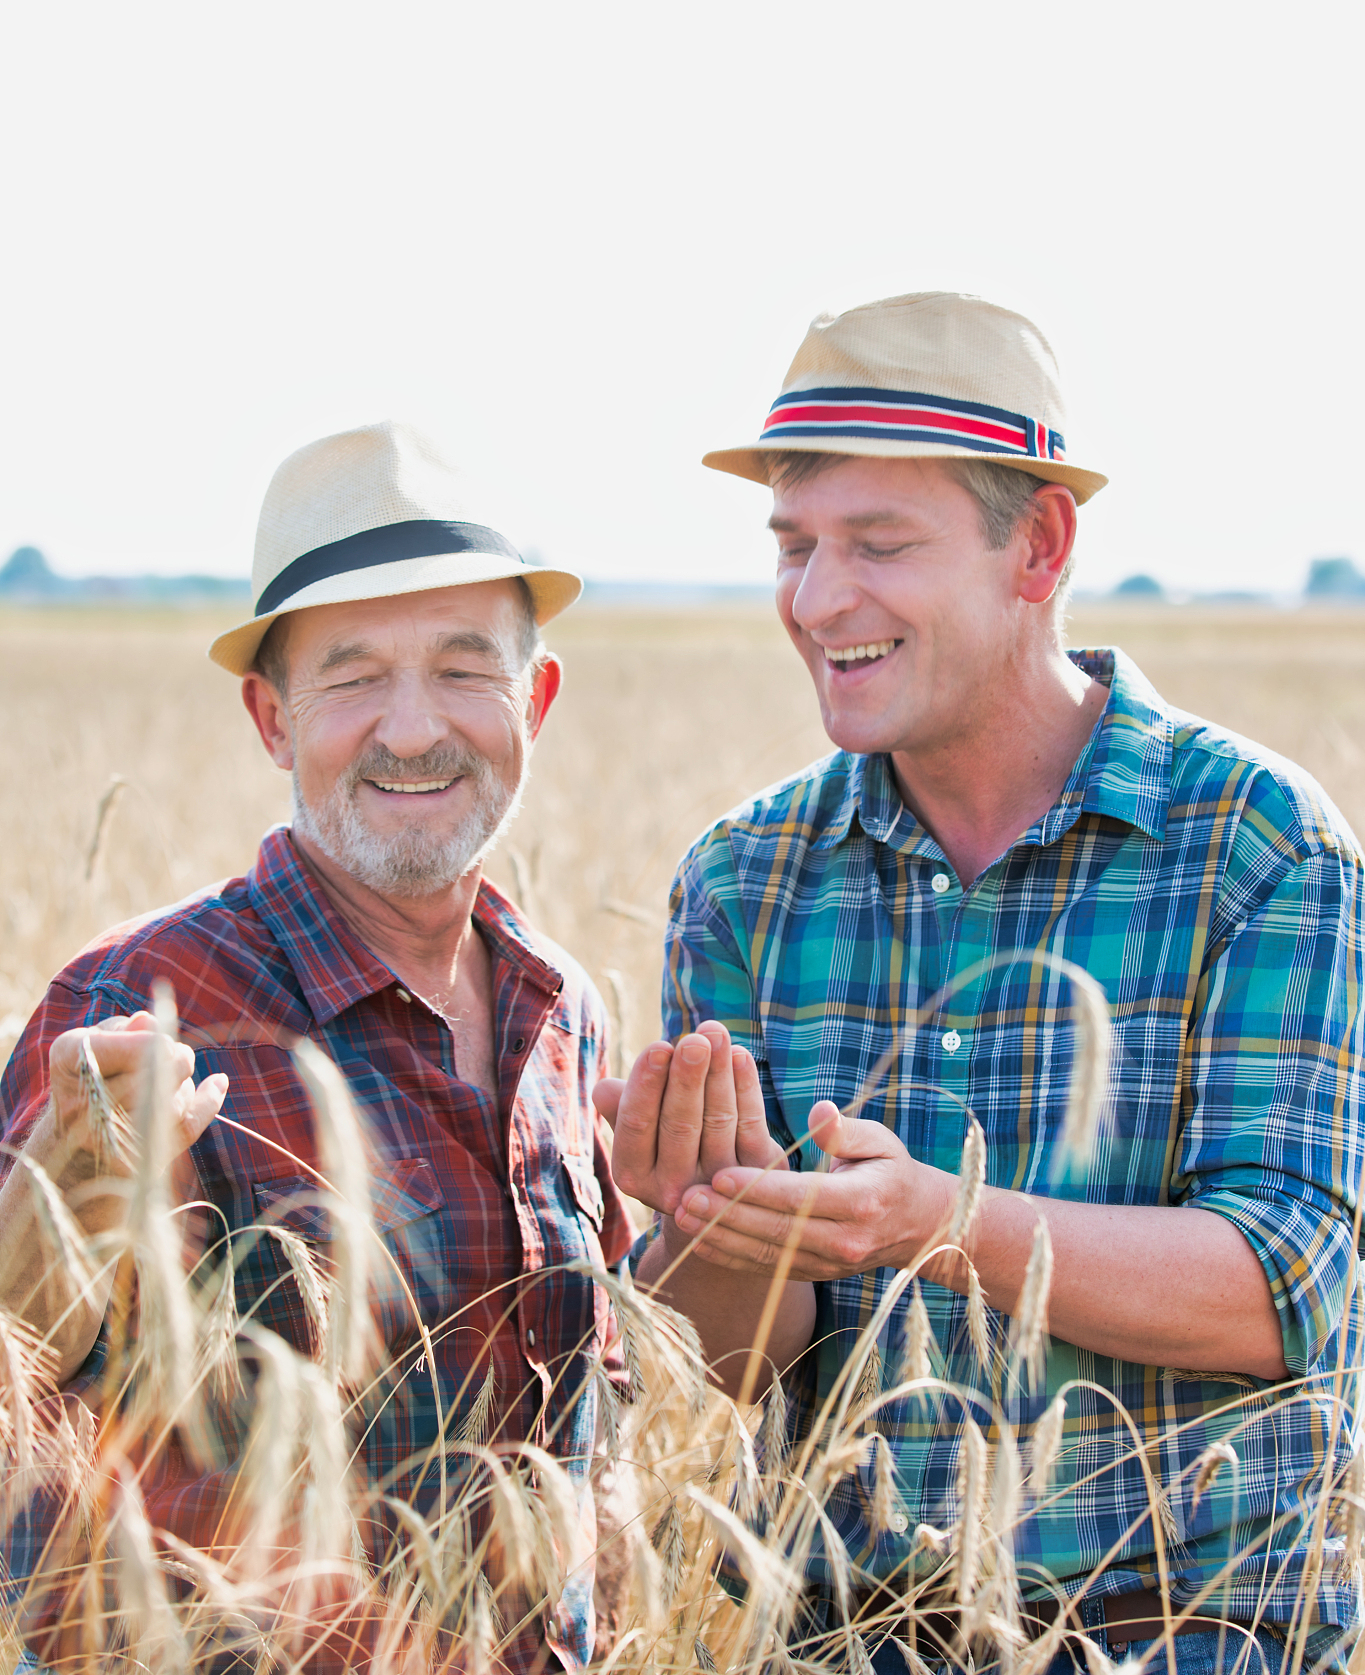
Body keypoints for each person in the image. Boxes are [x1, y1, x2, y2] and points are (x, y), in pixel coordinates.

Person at [597, 292, 1364, 1672]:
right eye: (794, 545)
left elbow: (1279, 1290)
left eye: (879, 544)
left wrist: (938, 1224)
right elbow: (737, 1366)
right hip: (846, 1638)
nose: (816, 600)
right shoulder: (743, 880)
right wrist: (716, 1225)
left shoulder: (1256, 844)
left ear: (1040, 546)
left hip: (1185, 1635)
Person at [0, 420, 635, 1673]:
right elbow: (20, 1375)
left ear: (537, 700)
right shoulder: (141, 1002)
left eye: (464, 667)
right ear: (271, 716)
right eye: (353, 677)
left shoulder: (562, 1009)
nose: (413, 727)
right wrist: (51, 1200)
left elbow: (596, 1408)